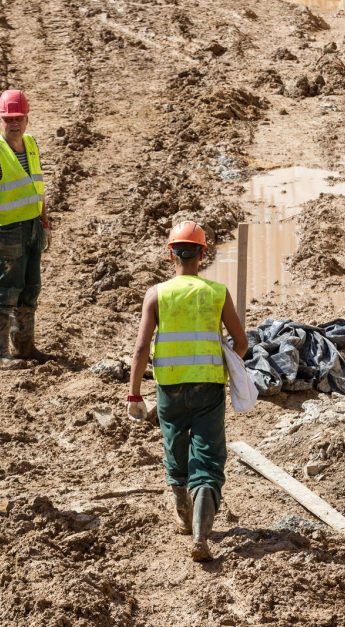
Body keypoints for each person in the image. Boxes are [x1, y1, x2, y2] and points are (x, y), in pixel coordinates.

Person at [127, 220, 248, 561]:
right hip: (208, 387)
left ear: (171, 255)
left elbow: (140, 350)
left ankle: (182, 511)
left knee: (175, 448)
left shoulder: (157, 294)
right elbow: (241, 343)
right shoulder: (217, 293)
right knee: (208, 457)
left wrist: (134, 394)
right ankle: (200, 532)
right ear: (202, 254)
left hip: (169, 388)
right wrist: (224, 366)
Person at [0, 89, 51, 369]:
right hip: (7, 231)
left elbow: (35, 184)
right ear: (0, 119)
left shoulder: (30, 144)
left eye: (18, 117)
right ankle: (0, 354)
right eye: (8, 118)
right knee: (5, 290)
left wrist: (43, 216)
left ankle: (25, 347)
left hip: (31, 226)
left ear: (27, 118)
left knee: (30, 288)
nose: (14, 123)